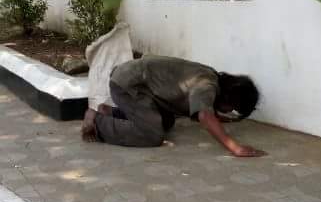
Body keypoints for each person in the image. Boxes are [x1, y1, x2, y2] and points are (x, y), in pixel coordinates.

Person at [82, 55, 265, 157]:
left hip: (137, 83)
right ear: (230, 97)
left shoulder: (211, 76)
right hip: (127, 85)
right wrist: (235, 147)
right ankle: (97, 122)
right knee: (151, 135)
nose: (227, 112)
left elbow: (205, 111)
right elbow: (204, 116)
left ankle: (112, 113)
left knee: (166, 121)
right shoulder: (207, 85)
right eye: (232, 109)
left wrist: (219, 119)